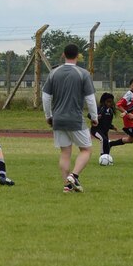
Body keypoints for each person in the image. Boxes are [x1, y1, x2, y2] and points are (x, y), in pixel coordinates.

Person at [42, 43, 96, 193]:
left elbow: (46, 97)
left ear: (63, 55)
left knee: (65, 153)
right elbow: (90, 98)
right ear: (78, 56)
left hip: (58, 119)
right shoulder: (83, 73)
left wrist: (49, 116)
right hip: (75, 119)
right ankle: (74, 175)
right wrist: (94, 116)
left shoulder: (54, 73)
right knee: (86, 149)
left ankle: (67, 185)